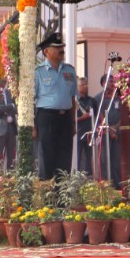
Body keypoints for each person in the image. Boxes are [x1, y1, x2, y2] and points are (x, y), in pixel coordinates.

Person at [34, 32, 77, 181]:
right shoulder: (38, 72)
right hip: (46, 118)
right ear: (46, 52)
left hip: (65, 118)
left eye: (62, 47)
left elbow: (72, 98)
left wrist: (73, 122)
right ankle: (46, 196)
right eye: (57, 47)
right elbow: (31, 99)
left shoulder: (70, 70)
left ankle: (62, 196)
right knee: (46, 156)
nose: (61, 50)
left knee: (64, 157)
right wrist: (33, 125)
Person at [93, 74, 122, 188]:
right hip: (105, 133)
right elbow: (98, 115)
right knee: (105, 160)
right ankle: (106, 185)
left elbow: (124, 114)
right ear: (103, 83)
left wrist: (115, 128)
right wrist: (109, 129)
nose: (113, 83)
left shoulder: (120, 97)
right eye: (110, 81)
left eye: (114, 81)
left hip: (118, 132)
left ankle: (118, 185)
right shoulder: (98, 98)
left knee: (117, 160)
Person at [0, 77, 17, 170]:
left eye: (6, 75)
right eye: (2, 75)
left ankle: (9, 181)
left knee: (10, 160)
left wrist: (9, 107)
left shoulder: (10, 91)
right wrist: (11, 106)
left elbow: (17, 107)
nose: (4, 78)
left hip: (11, 128)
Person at [75, 76, 94, 175]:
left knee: (89, 157)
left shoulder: (92, 100)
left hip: (89, 133)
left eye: (86, 85)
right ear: (77, 87)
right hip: (77, 133)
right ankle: (77, 177)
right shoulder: (74, 100)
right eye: (82, 85)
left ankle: (89, 177)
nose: (85, 87)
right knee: (77, 157)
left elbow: (98, 115)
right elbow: (71, 119)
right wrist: (82, 118)